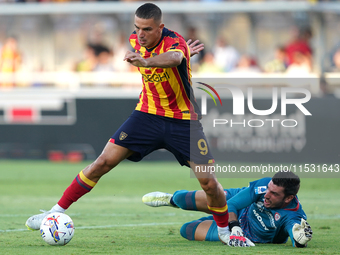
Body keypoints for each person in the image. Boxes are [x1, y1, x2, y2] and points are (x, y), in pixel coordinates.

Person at [25, 3, 243, 247]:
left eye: (147, 29)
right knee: (102, 162)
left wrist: (151, 60)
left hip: (183, 121)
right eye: (137, 28)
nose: (140, 34)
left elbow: (174, 57)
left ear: (160, 27)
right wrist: (162, 58)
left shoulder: (175, 42)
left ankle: (225, 230)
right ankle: (53, 212)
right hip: (146, 115)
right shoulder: (135, 40)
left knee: (208, 182)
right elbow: (174, 58)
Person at [142, 170, 313, 248]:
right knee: (181, 199)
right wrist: (234, 225)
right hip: (237, 205)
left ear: (289, 198)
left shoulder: (294, 216)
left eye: (274, 193)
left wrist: (300, 240)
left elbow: (296, 236)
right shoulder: (263, 187)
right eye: (268, 188)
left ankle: (213, 222)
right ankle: (171, 199)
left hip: (245, 234)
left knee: (186, 230)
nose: (266, 194)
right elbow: (231, 205)